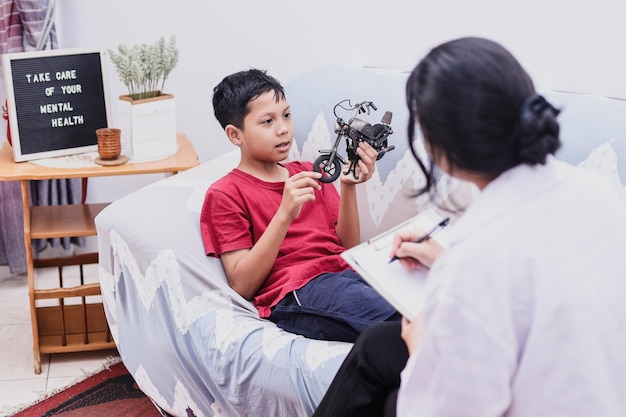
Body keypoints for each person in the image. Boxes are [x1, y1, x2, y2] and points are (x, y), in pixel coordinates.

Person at [313, 37, 626, 417]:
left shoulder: (474, 258)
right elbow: (535, 279)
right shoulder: (595, 190)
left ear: (437, 145)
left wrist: (421, 341)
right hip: (596, 385)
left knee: (394, 391)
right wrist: (442, 258)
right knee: (376, 344)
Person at [200, 68, 401, 343]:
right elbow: (242, 285)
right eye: (267, 121)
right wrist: (284, 214)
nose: (283, 128)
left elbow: (346, 247)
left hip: (344, 274)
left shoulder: (308, 171)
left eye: (286, 115)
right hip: (298, 290)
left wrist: (348, 187)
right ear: (235, 135)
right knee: (399, 320)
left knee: (416, 296)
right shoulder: (225, 194)